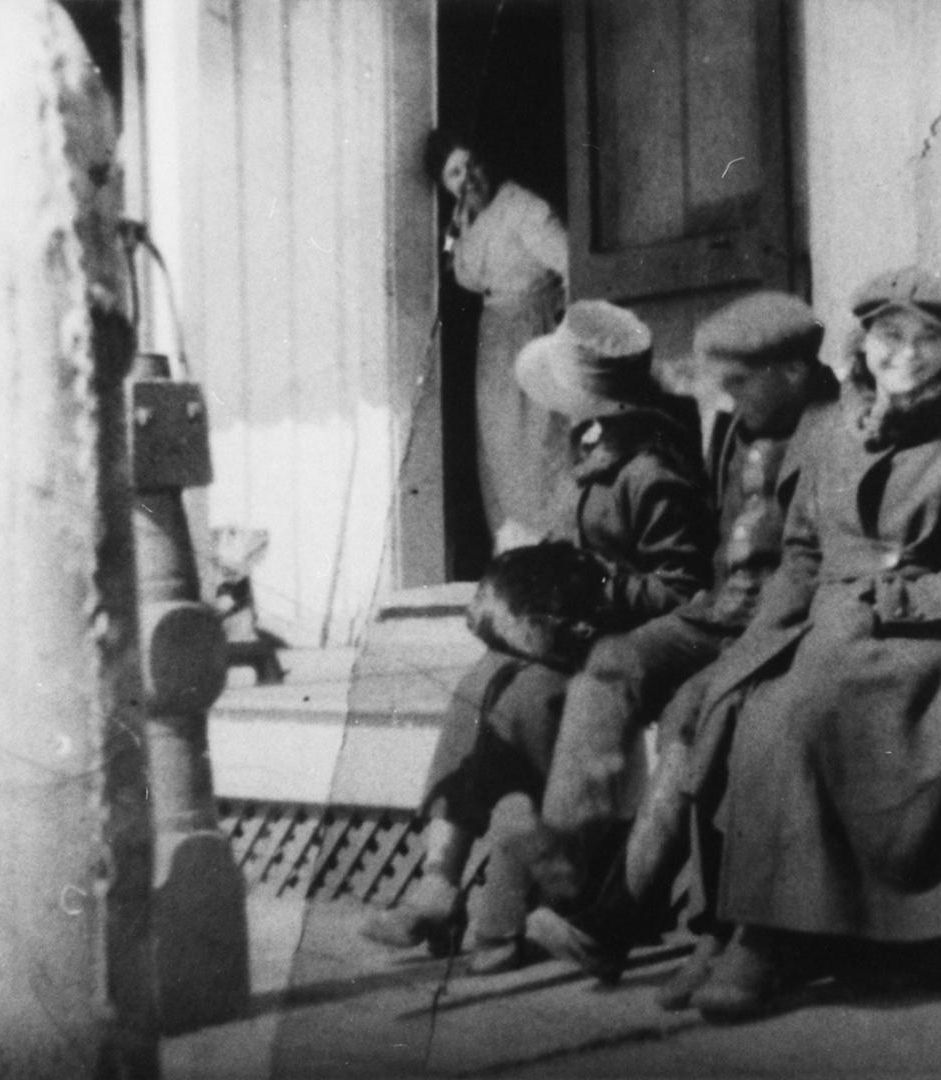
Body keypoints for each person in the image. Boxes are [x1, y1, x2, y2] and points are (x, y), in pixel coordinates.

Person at [680, 268, 941, 1021]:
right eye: (892, 336)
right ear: (863, 346)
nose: (909, 354)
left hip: (920, 640)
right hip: (828, 621)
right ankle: (717, 925)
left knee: (792, 712)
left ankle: (768, 942)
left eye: (928, 339)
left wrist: (890, 598)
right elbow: (801, 553)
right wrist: (756, 644)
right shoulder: (829, 433)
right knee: (732, 697)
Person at [360, 300, 713, 972]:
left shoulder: (654, 471)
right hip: (573, 632)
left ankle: (501, 908)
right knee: (482, 682)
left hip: (627, 646)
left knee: (526, 701)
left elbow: (683, 587)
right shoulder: (588, 451)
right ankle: (439, 879)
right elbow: (570, 534)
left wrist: (587, 581)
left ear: (597, 401)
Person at [511, 292, 841, 981]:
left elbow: (822, 563)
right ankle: (569, 874)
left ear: (791, 372)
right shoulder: (735, 427)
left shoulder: (834, 431)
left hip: (785, 624)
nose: (725, 392)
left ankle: (616, 920)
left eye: (740, 379)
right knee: (614, 661)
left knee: (695, 709)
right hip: (720, 609)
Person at [426, 128, 571, 549]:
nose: (467, 178)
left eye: (470, 164)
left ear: (485, 163)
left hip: (533, 331)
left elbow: (570, 262)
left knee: (540, 445)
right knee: (500, 449)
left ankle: (552, 547)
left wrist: (565, 325)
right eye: (454, 173)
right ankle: (514, 550)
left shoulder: (523, 208)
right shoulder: (464, 221)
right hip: (495, 344)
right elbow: (462, 271)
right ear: (446, 185)